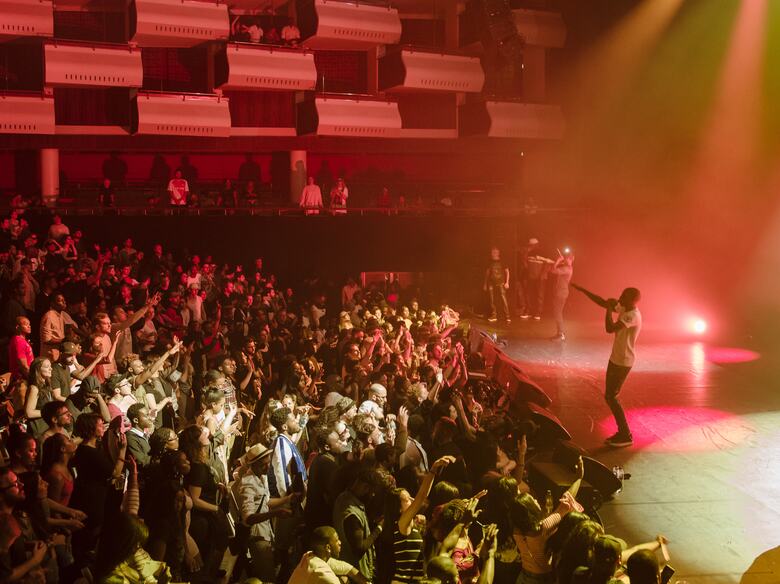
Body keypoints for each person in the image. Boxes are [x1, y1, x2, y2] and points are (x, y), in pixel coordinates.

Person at [571, 285, 642, 447]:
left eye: (624, 296)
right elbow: (603, 302)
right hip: (616, 358)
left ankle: (625, 435)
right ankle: (623, 433)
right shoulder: (625, 308)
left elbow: (609, 328)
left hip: (623, 361)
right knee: (610, 396)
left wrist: (609, 309)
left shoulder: (632, 316)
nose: (620, 298)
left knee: (611, 396)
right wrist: (584, 291)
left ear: (632, 300)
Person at [288, 526, 368, 584]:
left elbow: (347, 568)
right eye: (337, 540)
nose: (340, 543)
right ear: (328, 547)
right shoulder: (323, 574)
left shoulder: (310, 556)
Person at [550, 248, 574, 341]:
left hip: (561, 293)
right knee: (557, 313)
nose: (566, 260)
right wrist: (559, 262)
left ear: (571, 259)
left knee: (558, 313)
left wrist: (558, 260)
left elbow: (553, 270)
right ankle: (560, 333)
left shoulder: (567, 269)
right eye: (566, 258)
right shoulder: (567, 267)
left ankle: (561, 334)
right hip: (561, 292)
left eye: (568, 259)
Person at [483, 247, 510, 324]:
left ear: (498, 253)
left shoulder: (502, 261)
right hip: (491, 283)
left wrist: (507, 282)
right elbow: (487, 273)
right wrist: (485, 284)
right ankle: (494, 315)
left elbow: (507, 272)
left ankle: (507, 316)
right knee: (492, 299)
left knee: (503, 299)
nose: (493, 254)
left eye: (495, 252)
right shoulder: (490, 262)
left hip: (501, 282)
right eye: (492, 252)